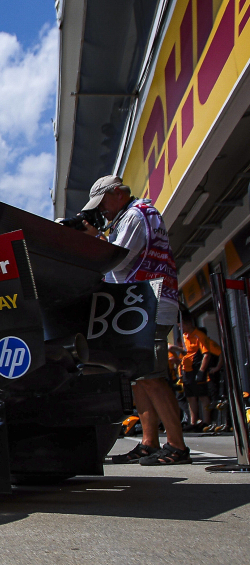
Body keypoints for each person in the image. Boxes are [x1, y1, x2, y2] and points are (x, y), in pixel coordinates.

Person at [84, 176, 189, 466]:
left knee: (152, 376)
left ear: (118, 193)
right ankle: (149, 442)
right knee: (139, 377)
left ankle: (177, 446)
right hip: (142, 302)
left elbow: (115, 259)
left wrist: (94, 238)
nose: (102, 210)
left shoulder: (134, 214)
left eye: (102, 202)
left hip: (150, 301)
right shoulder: (133, 215)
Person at [175, 318, 221, 430]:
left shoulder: (199, 336)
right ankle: (193, 422)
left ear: (189, 323)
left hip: (197, 369)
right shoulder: (184, 337)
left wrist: (202, 371)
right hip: (187, 371)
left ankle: (206, 422)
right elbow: (184, 355)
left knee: (202, 395)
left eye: (182, 326)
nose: (181, 328)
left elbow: (207, 354)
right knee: (190, 397)